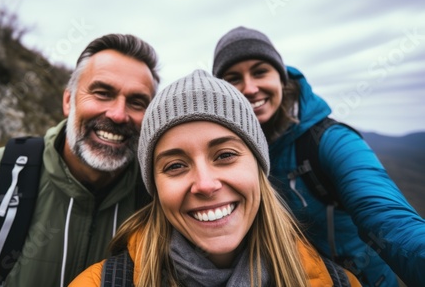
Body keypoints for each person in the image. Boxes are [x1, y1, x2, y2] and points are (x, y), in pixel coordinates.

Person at [70, 69, 361, 287]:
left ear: (259, 167)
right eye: (175, 166)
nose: (206, 185)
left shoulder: (336, 282)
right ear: (154, 187)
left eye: (224, 156)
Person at [0, 33, 160, 287]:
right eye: (102, 93)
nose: (118, 114)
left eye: (137, 102)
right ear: (69, 100)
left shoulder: (155, 197)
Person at [211, 26, 425, 287]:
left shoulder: (330, 141)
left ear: (281, 78)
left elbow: (389, 219)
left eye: (260, 72)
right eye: (233, 78)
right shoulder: (225, 151)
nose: (250, 88)